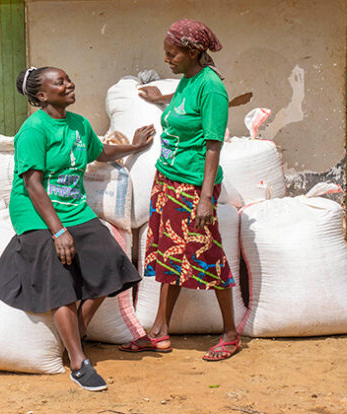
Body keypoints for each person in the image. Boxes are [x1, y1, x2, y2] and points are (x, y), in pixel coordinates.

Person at [0, 66, 154, 391]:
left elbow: (100, 151)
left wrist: (132, 147)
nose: (70, 84)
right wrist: (58, 232)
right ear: (42, 95)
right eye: (60, 82)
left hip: (73, 208)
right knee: (60, 276)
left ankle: (76, 330)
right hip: (36, 212)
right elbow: (32, 185)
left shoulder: (79, 125)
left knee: (113, 264)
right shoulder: (34, 130)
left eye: (68, 78)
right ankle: (78, 362)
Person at [118, 19, 241, 361]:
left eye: (172, 54)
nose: (167, 59)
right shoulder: (189, 79)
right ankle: (159, 331)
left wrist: (204, 199)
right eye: (166, 53)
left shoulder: (212, 87)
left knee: (207, 254)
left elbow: (213, 145)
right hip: (168, 180)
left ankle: (230, 333)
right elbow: (188, 100)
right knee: (167, 255)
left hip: (192, 186)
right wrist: (164, 97)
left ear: (192, 52)